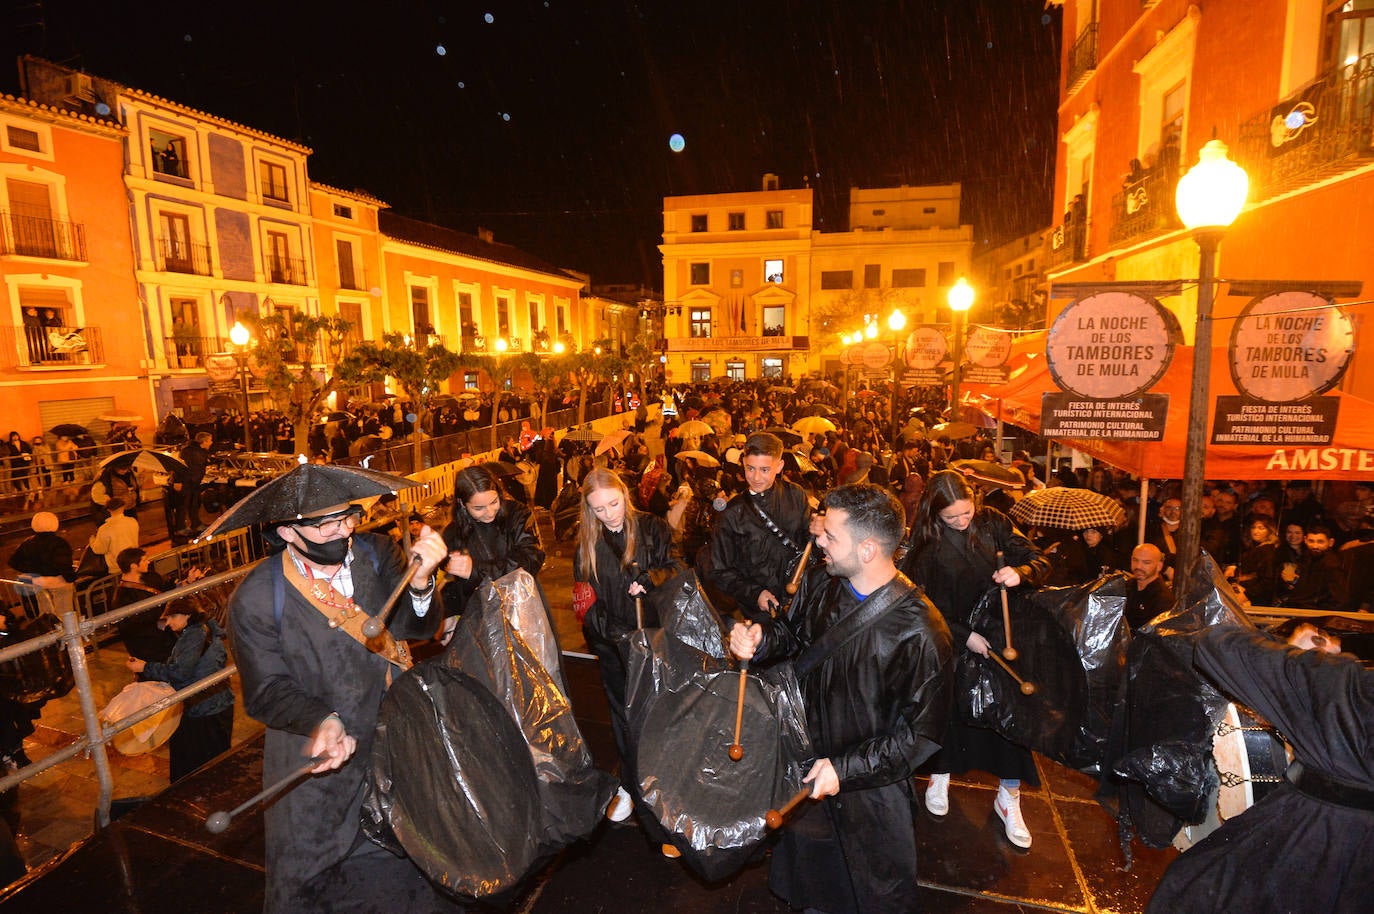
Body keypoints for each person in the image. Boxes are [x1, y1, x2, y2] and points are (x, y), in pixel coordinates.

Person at [728, 484, 953, 914]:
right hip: (806, 765)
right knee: (814, 881)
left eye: (830, 535)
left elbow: (920, 736)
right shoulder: (822, 582)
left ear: (867, 549)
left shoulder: (922, 631)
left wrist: (845, 769)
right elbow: (793, 635)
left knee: (867, 892)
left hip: (870, 792)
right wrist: (758, 637)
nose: (818, 541)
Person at [228, 488, 455, 914]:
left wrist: (422, 583)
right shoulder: (258, 597)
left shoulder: (376, 551)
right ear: (288, 533)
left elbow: (416, 628)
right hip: (316, 755)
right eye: (326, 525)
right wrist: (322, 720)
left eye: (348, 517)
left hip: (391, 735)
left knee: (405, 860)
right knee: (311, 876)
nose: (344, 530)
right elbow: (265, 690)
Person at [1144, 626, 1374, 913]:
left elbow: (1219, 644)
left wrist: (1303, 654)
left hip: (1309, 847)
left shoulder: (1349, 688)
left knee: (1191, 887)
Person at [899, 469, 1050, 849]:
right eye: (952, 518)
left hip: (1003, 635)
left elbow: (1039, 559)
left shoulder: (993, 523)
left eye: (966, 513)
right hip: (953, 637)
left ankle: (1009, 797)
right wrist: (965, 637)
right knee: (949, 713)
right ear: (936, 514)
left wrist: (1022, 572)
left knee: (1010, 720)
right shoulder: (925, 545)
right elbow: (921, 605)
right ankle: (941, 775)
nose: (962, 522)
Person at [573, 468, 684, 857]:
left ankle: (664, 792)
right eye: (598, 509)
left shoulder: (653, 527)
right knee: (623, 719)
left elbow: (679, 568)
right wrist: (614, 638)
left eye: (614, 504)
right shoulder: (586, 542)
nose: (609, 515)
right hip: (613, 646)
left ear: (625, 494)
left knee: (658, 719)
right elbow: (584, 602)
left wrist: (652, 578)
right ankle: (633, 785)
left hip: (655, 640)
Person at [126, 599, 234, 782]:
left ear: (188, 615)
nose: (169, 623)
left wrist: (144, 667)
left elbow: (180, 672)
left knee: (192, 765)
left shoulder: (194, 635)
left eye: (173, 617)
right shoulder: (206, 627)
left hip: (202, 709)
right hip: (218, 702)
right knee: (215, 761)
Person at [707, 432, 811, 621]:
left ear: (779, 466)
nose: (755, 477)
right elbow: (720, 570)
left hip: (800, 601)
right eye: (750, 468)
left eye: (764, 470)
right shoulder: (731, 513)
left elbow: (809, 544)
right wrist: (755, 594)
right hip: (758, 611)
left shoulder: (796, 495)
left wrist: (822, 532)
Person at [439, 465, 545, 632]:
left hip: (523, 609)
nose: (489, 512)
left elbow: (531, 559)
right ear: (462, 504)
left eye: (494, 502)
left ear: (499, 493)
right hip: (481, 619)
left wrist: (476, 571)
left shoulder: (517, 514)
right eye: (478, 508)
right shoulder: (453, 534)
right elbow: (453, 585)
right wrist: (448, 615)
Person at [1125, 543, 1175, 631]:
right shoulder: (1126, 586)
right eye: (1135, 560)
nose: (1138, 566)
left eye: (1146, 562)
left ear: (1159, 566)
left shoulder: (1163, 599)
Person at [88, 498, 140, 576]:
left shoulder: (104, 529)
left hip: (116, 566)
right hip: (134, 561)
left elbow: (99, 550)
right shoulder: (133, 521)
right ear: (123, 507)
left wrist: (92, 540)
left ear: (108, 510)